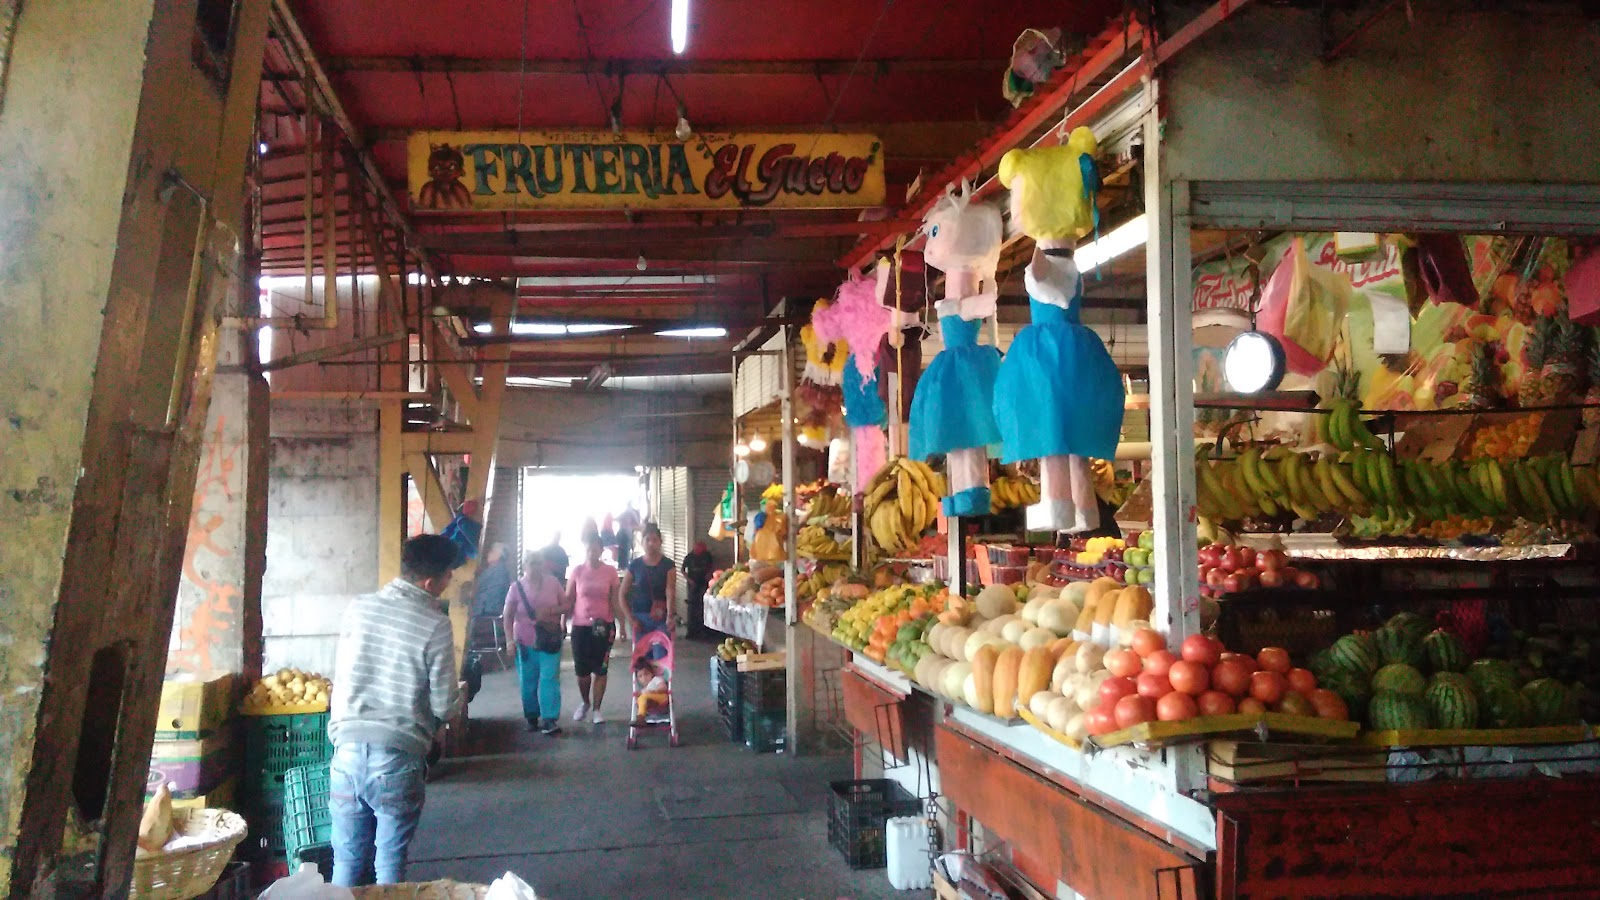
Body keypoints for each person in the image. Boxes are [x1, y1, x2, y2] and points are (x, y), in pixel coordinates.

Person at [328, 534, 461, 887]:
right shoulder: (436, 625)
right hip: (397, 757)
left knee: (347, 861)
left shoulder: (358, 607)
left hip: (346, 752)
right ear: (430, 582)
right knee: (389, 864)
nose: (451, 583)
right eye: (450, 576)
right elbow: (444, 704)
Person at [504, 548, 571, 735]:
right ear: (524, 565)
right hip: (525, 641)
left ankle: (550, 718)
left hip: (549, 639)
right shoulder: (516, 588)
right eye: (531, 563)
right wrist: (509, 641)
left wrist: (551, 611)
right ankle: (532, 717)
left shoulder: (553, 583)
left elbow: (567, 605)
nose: (535, 567)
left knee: (550, 677)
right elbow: (508, 615)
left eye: (538, 563)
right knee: (528, 680)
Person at [566, 534, 627, 724]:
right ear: (584, 551)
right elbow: (569, 599)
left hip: (604, 626)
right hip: (580, 626)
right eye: (588, 550)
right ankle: (585, 702)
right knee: (582, 672)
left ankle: (598, 708)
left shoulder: (610, 572)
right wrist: (562, 620)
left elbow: (615, 600)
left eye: (595, 549)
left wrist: (622, 624)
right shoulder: (577, 571)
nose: (592, 553)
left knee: (600, 670)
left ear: (602, 550)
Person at [619, 522, 676, 640]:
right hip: (639, 619)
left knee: (661, 656)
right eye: (647, 540)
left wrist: (670, 616)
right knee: (642, 656)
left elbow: (670, 591)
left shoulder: (668, 565)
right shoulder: (634, 565)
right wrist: (631, 619)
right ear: (642, 542)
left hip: (662, 618)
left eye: (655, 540)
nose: (651, 543)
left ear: (660, 542)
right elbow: (622, 594)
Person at [682, 541, 715, 639]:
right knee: (692, 607)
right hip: (693, 583)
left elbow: (711, 566)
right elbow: (682, 570)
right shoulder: (689, 557)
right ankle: (691, 631)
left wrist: (708, 575)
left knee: (704, 606)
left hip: (704, 582)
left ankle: (704, 630)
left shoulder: (707, 556)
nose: (699, 554)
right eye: (697, 552)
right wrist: (689, 580)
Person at [473, 542, 512, 618]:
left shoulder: (499, 570)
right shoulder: (494, 570)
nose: (488, 554)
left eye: (492, 551)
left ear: (499, 555)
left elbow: (495, 592)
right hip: (485, 611)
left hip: (488, 612)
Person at [633, 656, 669, 722]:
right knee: (641, 698)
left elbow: (663, 688)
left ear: (652, 673)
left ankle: (641, 717)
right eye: (640, 676)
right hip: (649, 701)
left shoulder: (656, 679)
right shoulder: (644, 689)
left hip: (661, 698)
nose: (644, 678)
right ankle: (640, 718)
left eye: (646, 674)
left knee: (644, 696)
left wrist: (653, 691)